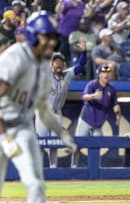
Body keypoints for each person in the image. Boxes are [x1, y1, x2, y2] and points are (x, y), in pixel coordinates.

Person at [0, 11, 77, 203]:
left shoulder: (44, 65)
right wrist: (3, 136)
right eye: (46, 37)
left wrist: (62, 133)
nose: (51, 42)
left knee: (35, 184)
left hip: (22, 127)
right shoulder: (14, 57)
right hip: (2, 126)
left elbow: (42, 108)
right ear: (34, 35)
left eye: (54, 38)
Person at [35, 42, 87, 168]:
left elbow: (80, 65)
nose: (58, 63)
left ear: (64, 64)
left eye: (60, 62)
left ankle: (53, 169)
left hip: (57, 113)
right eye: (55, 61)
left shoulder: (68, 74)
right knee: (41, 142)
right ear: (51, 64)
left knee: (54, 142)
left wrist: (84, 52)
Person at [71, 64, 121, 168]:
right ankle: (73, 167)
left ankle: (95, 170)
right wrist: (94, 96)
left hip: (98, 123)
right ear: (99, 74)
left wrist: (117, 112)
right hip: (86, 119)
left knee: (97, 145)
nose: (106, 75)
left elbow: (115, 104)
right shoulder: (92, 84)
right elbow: (84, 97)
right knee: (78, 145)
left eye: (108, 73)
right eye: (103, 73)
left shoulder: (111, 89)